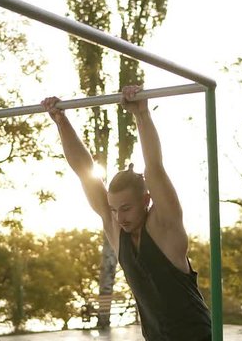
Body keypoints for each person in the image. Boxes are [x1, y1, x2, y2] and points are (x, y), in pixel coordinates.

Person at [41, 85, 212, 341]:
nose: (120, 217)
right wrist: (61, 121)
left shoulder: (164, 226)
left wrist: (141, 114)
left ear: (146, 200)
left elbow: (154, 168)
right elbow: (84, 170)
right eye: (114, 209)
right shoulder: (116, 228)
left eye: (126, 208)